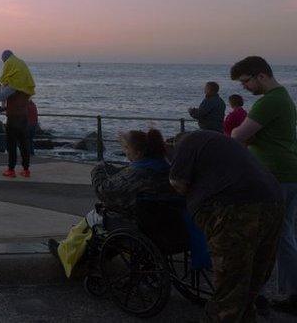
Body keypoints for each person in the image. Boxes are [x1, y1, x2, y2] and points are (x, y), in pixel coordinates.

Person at [170, 130, 285, 322]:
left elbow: (178, 183)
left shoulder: (186, 143)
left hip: (235, 209)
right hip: (273, 200)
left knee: (230, 287)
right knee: (253, 280)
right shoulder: (221, 143)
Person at [229, 56, 297, 313]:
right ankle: (289, 291)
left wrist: (243, 133)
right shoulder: (284, 98)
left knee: (276, 236)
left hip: (276, 175)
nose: (244, 87)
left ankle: (291, 293)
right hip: (288, 173)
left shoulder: (268, 102)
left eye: (245, 81)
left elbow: (238, 136)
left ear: (261, 76)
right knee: (284, 234)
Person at [49, 129, 175, 265]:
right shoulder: (169, 171)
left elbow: (103, 191)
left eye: (127, 148)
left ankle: (68, 253)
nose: (125, 152)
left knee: (96, 215)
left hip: (140, 229)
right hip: (170, 229)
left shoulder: (135, 176)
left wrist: (98, 170)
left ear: (138, 153)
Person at [0, 50, 34, 178]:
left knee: (11, 144)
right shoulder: (25, 85)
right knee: (24, 144)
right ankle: (26, 169)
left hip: (13, 117)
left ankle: (11, 170)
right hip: (24, 117)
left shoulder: (13, 85)